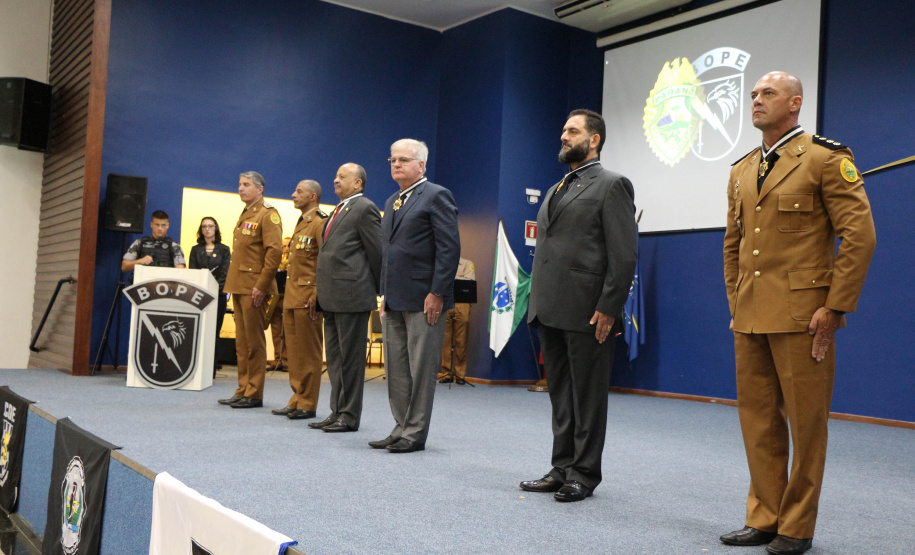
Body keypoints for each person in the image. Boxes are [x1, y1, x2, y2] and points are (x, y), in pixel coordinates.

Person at [720, 71, 875, 555]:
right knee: (758, 421)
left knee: (807, 426)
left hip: (804, 317)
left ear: (795, 103)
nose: (756, 100)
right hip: (749, 316)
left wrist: (834, 306)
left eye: (767, 93)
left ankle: (797, 526)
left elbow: (860, 237)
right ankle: (764, 516)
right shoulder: (742, 168)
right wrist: (737, 299)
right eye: (753, 94)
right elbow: (734, 245)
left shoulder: (827, 159)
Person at [522, 109, 637, 502]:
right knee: (561, 395)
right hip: (549, 307)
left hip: (589, 310)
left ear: (595, 139)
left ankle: (584, 474)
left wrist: (609, 306)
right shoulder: (557, 188)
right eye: (563, 130)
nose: (564, 136)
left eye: (573, 131)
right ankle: (561, 467)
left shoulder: (612, 184)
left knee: (587, 396)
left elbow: (623, 256)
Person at [371, 139, 460, 453]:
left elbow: (449, 249)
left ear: (421, 165)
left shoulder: (436, 195)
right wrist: (384, 296)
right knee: (396, 369)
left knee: (420, 370)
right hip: (394, 299)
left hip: (425, 299)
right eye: (392, 159)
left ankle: (415, 433)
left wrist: (437, 292)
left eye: (404, 160)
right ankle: (401, 426)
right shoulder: (393, 199)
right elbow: (389, 253)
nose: (396, 164)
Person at [310, 163, 382, 433]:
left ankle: (349, 416)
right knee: (336, 361)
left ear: (358, 183)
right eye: (336, 175)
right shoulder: (336, 211)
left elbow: (378, 254)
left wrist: (374, 290)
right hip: (331, 298)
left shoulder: (365, 209)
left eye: (342, 176)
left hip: (353, 296)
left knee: (350, 362)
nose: (335, 179)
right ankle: (336, 411)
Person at [218, 171, 283, 409]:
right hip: (239, 285)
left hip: (255, 287)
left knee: (254, 343)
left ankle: (254, 392)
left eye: (246, 185)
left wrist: (262, 285)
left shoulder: (268, 214)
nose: (240, 188)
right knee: (242, 343)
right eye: (239, 184)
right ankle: (243, 388)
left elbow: (274, 252)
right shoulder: (247, 213)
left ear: (260, 189)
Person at [271, 182, 327, 420]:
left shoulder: (320, 221)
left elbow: (324, 261)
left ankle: (308, 402)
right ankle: (297, 398)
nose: (293, 194)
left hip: (308, 297)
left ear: (312, 196)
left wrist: (317, 294)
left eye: (299, 192)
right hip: (293, 296)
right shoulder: (302, 222)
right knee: (293, 352)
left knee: (308, 353)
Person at [188, 217, 231, 374]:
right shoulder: (195, 249)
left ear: (216, 228)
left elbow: (225, 273)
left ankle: (211, 368)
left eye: (210, 226)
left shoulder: (224, 250)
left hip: (217, 296)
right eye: (204, 226)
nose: (207, 229)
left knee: (214, 332)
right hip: (198, 296)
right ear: (201, 230)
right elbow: (193, 271)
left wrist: (213, 289)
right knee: (198, 330)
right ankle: (195, 366)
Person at [438, 256, 475, 384]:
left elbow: (469, 282)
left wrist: (450, 279)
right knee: (445, 340)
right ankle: (446, 373)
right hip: (445, 303)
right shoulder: (443, 262)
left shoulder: (467, 263)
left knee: (461, 340)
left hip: (462, 304)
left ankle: (460, 374)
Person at [121, 210, 186, 271]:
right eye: (157, 225)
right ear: (151, 224)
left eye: (163, 225)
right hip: (143, 281)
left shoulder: (174, 246)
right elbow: (124, 266)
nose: (160, 228)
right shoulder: (140, 243)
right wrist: (139, 261)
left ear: (168, 226)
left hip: (165, 281)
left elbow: (180, 270)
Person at [266, 237, 291, 372]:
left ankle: (287, 359)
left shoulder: (293, 262)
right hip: (275, 298)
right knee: (276, 329)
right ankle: (278, 358)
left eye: (288, 246)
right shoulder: (275, 261)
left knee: (287, 330)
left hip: (288, 298)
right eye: (284, 246)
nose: (286, 249)